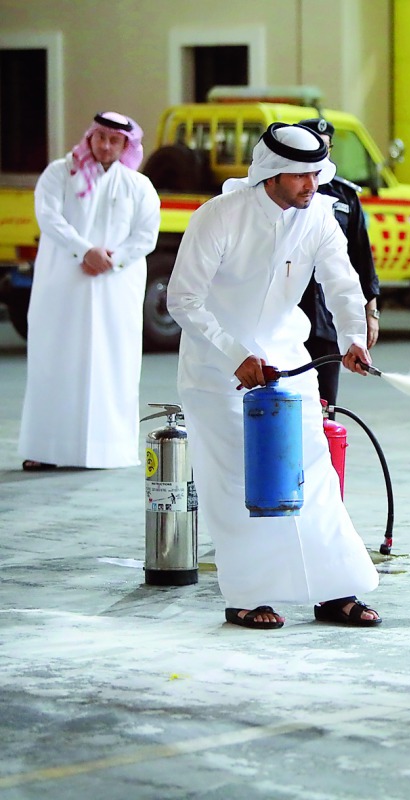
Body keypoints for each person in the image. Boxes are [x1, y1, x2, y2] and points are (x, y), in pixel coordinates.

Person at [167, 123, 381, 630]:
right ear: (272, 174)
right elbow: (183, 299)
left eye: (316, 173)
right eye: (301, 175)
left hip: (287, 366)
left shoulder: (320, 217)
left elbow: (342, 281)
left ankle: (333, 593)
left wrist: (353, 336)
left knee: (311, 475)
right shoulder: (219, 217)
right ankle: (249, 595)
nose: (312, 184)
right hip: (217, 373)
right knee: (241, 482)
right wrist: (233, 355)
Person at [18, 112, 160, 471]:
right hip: (64, 285)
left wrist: (114, 258)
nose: (106, 145)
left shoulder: (137, 184)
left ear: (127, 145)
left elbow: (146, 234)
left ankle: (108, 450)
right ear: (90, 137)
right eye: (101, 138)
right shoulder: (60, 173)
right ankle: (45, 449)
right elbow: (49, 217)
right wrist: (86, 251)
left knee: (112, 365)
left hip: (115, 287)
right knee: (55, 360)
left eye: (115, 140)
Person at [295, 118, 380, 408]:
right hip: (293, 313)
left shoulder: (345, 196)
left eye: (326, 147)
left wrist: (370, 312)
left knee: (325, 405)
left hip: (328, 319)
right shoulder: (290, 194)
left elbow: (360, 258)